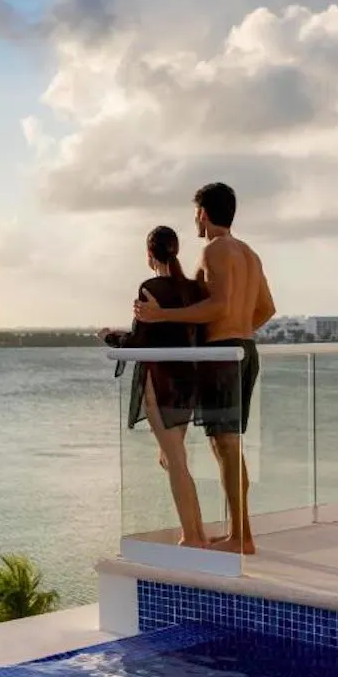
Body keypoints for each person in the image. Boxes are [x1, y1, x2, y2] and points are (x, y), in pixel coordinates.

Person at [134, 183, 276, 555]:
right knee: (229, 446)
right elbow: (266, 308)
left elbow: (217, 305)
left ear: (204, 213)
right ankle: (240, 534)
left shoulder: (214, 250)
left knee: (225, 444)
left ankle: (240, 537)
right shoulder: (249, 253)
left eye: (196, 212)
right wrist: (240, 330)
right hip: (245, 350)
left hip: (223, 354)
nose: (194, 219)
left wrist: (164, 315)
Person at [100, 226, 207, 548]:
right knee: (171, 457)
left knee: (174, 460)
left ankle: (193, 536)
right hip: (188, 380)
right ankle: (196, 531)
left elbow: (138, 342)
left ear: (150, 254)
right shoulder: (193, 290)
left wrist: (109, 337)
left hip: (160, 382)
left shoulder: (151, 287)